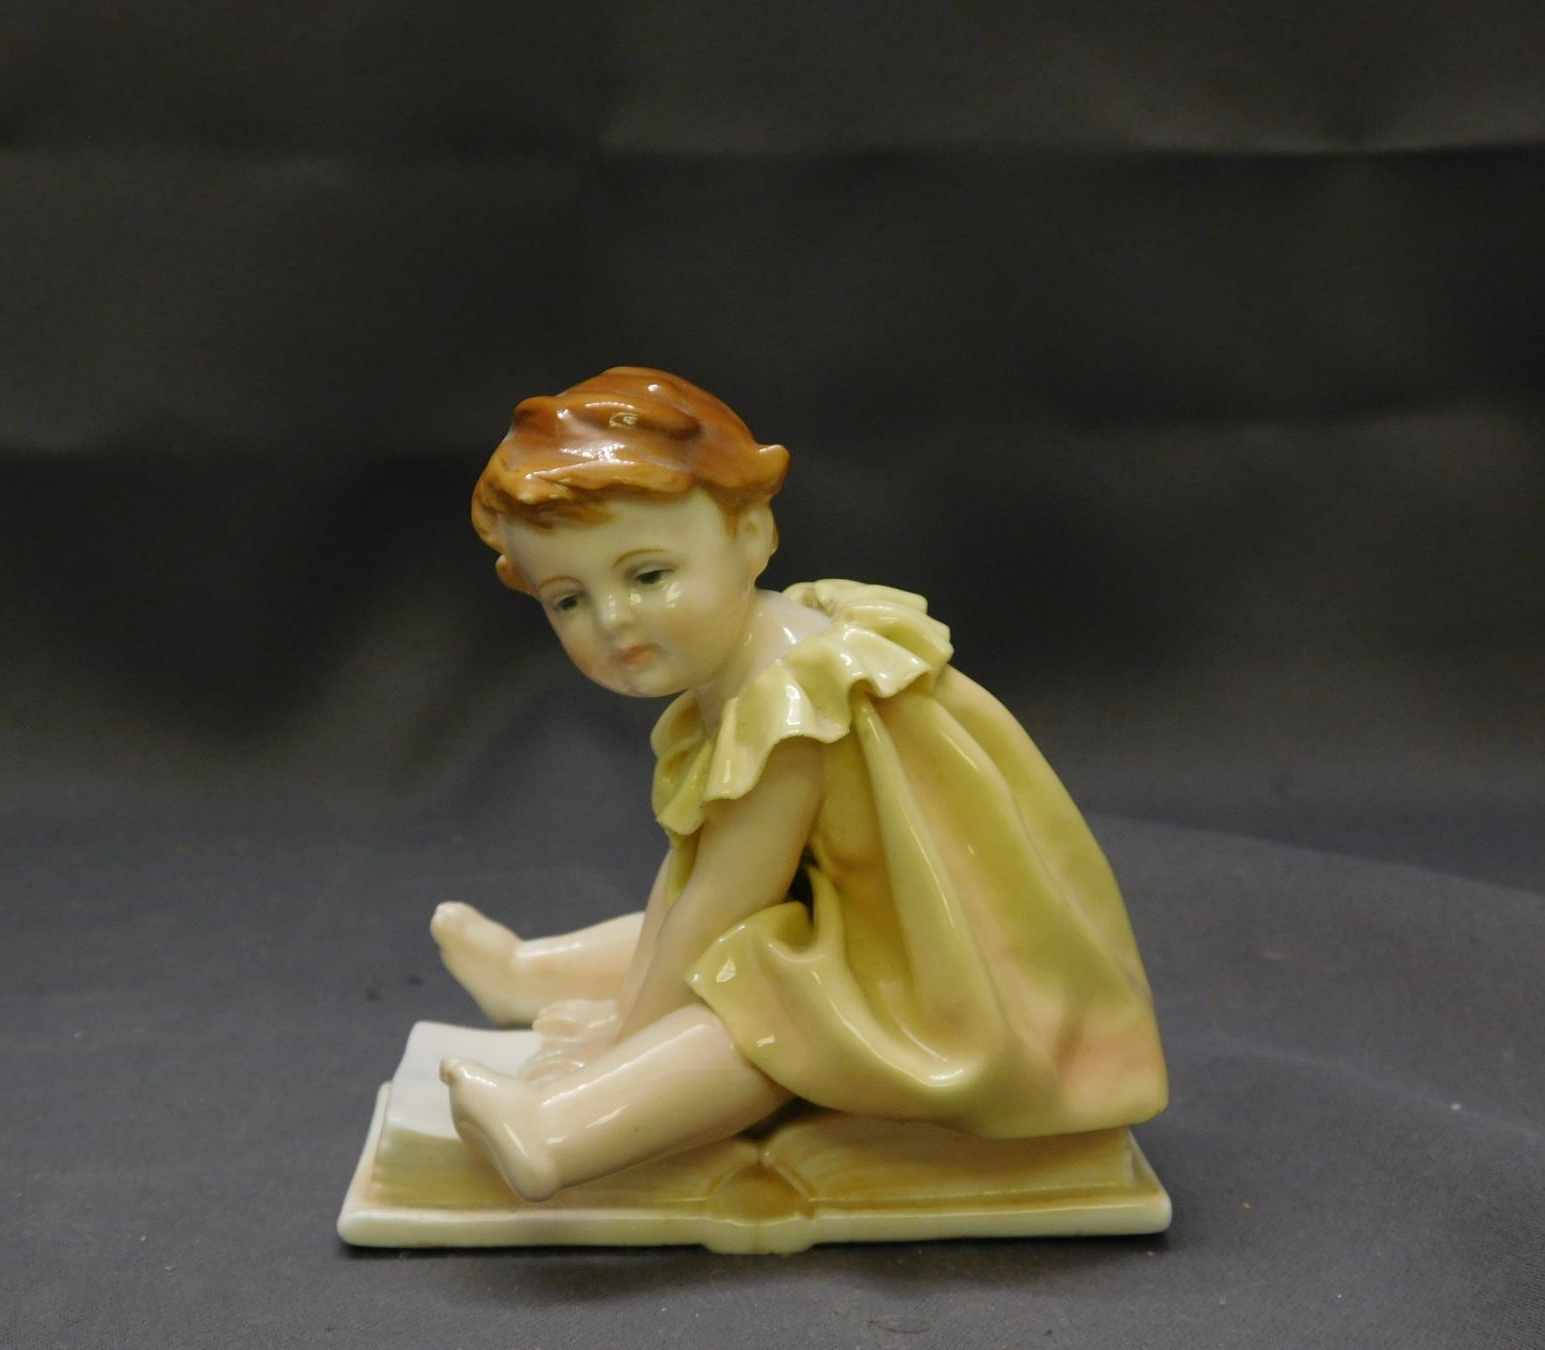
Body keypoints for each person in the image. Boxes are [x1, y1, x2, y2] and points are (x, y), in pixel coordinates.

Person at [432, 367, 1168, 1201]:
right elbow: (694, 876)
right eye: (568, 600)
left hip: (950, 990)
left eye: (648, 577)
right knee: (730, 945)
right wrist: (633, 1008)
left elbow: (722, 905)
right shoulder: (751, 659)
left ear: (751, 537)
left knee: (762, 1002)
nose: (613, 621)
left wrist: (622, 1044)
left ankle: (557, 1131)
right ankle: (531, 974)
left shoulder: (786, 701)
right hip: (876, 924)